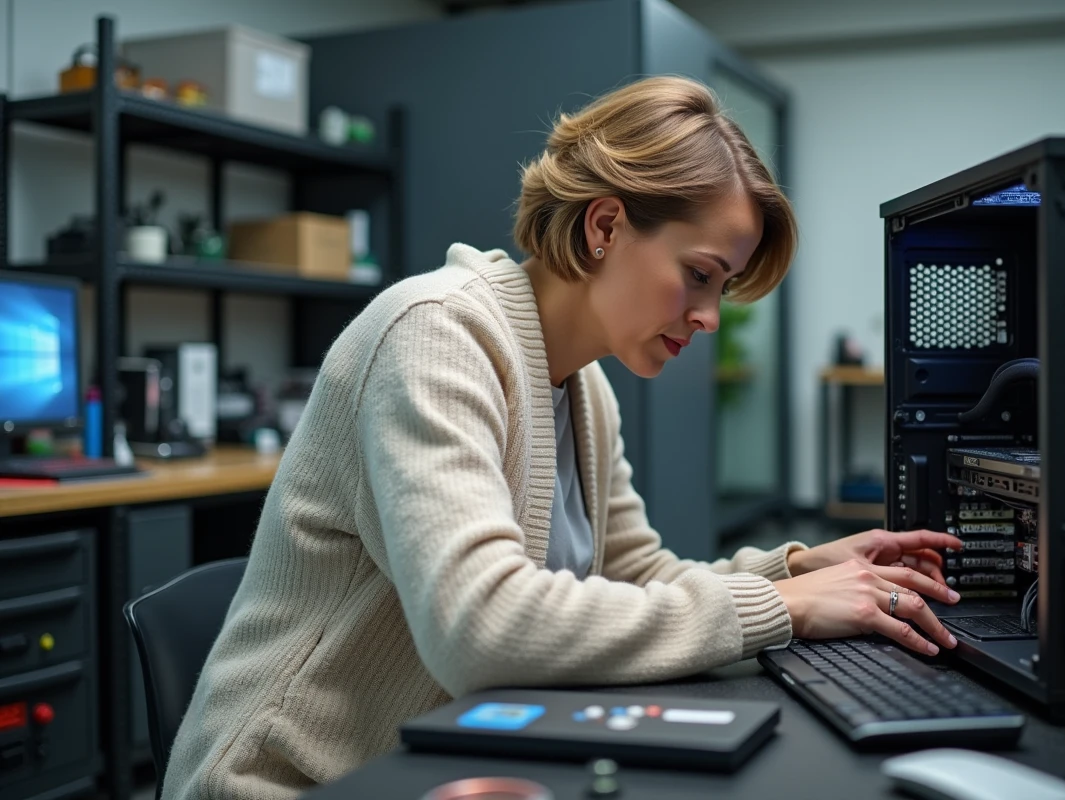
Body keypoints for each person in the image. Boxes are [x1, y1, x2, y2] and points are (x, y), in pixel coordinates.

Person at [162, 75, 962, 799]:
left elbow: (634, 574)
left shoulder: (582, 384)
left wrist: (794, 568)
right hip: (289, 785)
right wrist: (781, 605)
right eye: (699, 275)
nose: (711, 318)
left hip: (442, 765)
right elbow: (481, 628)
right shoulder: (436, 334)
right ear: (606, 225)